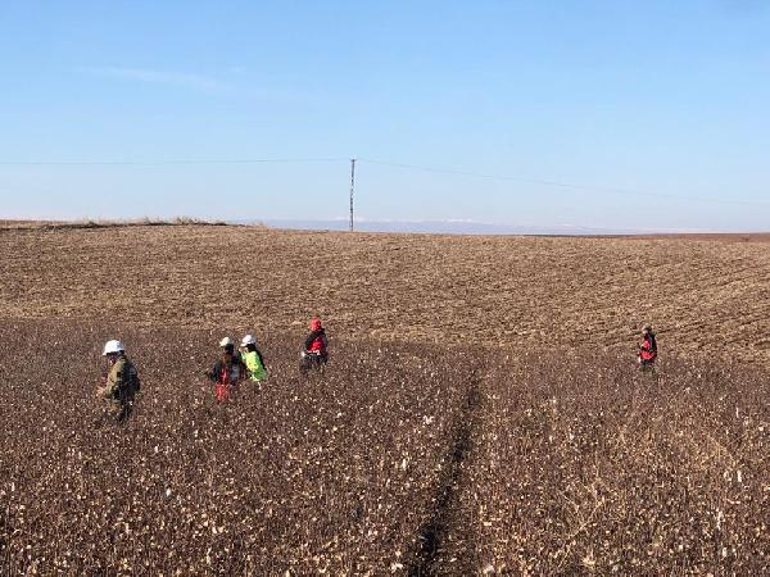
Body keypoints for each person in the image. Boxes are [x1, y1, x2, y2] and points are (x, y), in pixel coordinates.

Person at [96, 339, 141, 423]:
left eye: (108, 355)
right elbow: (136, 385)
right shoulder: (128, 364)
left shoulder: (119, 366)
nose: (108, 358)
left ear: (114, 354)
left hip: (118, 406)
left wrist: (104, 392)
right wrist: (109, 378)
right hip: (127, 404)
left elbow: (118, 385)